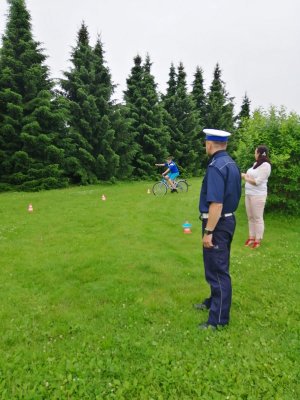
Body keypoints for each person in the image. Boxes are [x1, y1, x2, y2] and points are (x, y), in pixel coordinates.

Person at [195, 129, 241, 330]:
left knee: (218, 270)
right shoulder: (231, 163)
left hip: (218, 223)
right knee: (216, 266)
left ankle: (219, 320)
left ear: (209, 144)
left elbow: (216, 204)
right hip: (227, 221)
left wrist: (209, 232)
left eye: (205, 143)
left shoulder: (215, 166)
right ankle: (214, 301)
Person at [241, 145, 271, 249]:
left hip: (258, 195)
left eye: (255, 152)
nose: (254, 154)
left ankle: (258, 240)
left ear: (259, 153)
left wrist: (245, 177)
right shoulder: (255, 164)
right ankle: (251, 237)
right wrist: (246, 176)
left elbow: (257, 182)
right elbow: (251, 177)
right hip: (249, 193)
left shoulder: (266, 166)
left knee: (257, 217)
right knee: (250, 217)